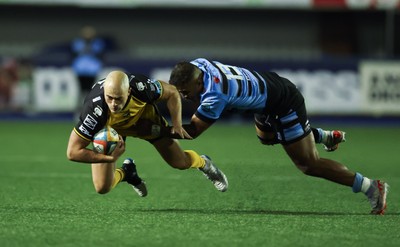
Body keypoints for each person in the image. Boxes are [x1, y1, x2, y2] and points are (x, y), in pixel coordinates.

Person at [166, 58, 388, 215]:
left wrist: (154, 130)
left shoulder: (216, 94)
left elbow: (192, 132)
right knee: (267, 138)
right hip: (267, 92)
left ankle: (371, 187)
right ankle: (322, 136)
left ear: (198, 81)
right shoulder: (199, 65)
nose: (184, 96)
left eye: (185, 91)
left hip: (283, 104)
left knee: (308, 164)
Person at [66, 70, 228, 197]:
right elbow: (72, 152)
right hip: (111, 132)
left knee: (180, 162)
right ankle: (127, 173)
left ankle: (204, 163)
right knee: (102, 187)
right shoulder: (95, 110)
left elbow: (172, 92)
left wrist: (177, 124)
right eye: (109, 98)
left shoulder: (141, 87)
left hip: (146, 124)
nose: (113, 104)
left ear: (128, 91)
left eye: (118, 98)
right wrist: (109, 158)